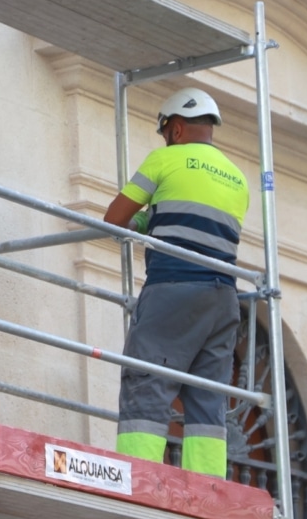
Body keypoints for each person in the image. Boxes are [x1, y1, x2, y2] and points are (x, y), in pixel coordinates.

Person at [102, 87, 249, 477]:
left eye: (166, 131)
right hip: (223, 299)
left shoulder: (164, 159)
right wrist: (154, 219)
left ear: (177, 128)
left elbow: (113, 219)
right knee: (207, 396)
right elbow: (195, 221)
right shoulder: (238, 178)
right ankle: (209, 485)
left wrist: (142, 219)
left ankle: (138, 475)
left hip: (174, 288)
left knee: (147, 381)